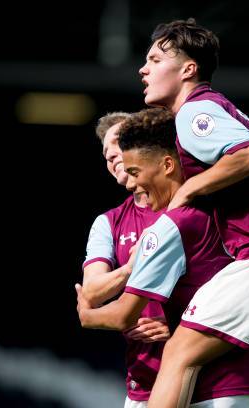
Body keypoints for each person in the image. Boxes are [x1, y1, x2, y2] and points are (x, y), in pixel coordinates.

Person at [138, 19, 249, 408]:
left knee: (179, 354)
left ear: (188, 69)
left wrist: (188, 187)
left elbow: (248, 156)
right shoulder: (220, 110)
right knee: (237, 371)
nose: (144, 69)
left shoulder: (195, 112)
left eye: (155, 59)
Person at [77, 107, 249, 408]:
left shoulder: (175, 223)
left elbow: (122, 312)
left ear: (164, 160)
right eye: (111, 156)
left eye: (131, 161)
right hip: (208, 379)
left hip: (216, 387)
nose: (125, 170)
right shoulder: (217, 208)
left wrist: (88, 315)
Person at [80, 111, 170, 408]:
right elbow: (91, 292)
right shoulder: (108, 223)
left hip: (210, 374)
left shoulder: (190, 209)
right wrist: (132, 268)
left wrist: (185, 325)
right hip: (144, 381)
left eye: (118, 143)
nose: (112, 156)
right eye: (106, 154)